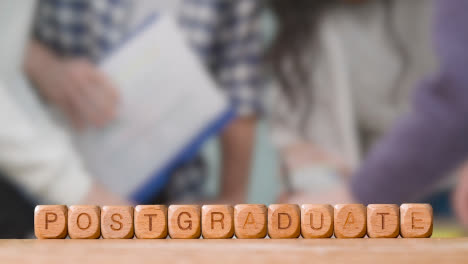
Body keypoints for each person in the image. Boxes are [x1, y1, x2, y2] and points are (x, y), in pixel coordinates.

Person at [25, 0, 264, 203]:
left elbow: (239, 82)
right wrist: (45, 68)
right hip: (50, 177)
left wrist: (232, 198)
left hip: (173, 189)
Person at [266, 0, 468, 230]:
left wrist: (360, 194)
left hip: (445, 193)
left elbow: (458, 98)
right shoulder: (304, 31)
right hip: (358, 196)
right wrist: (314, 181)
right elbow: (301, 142)